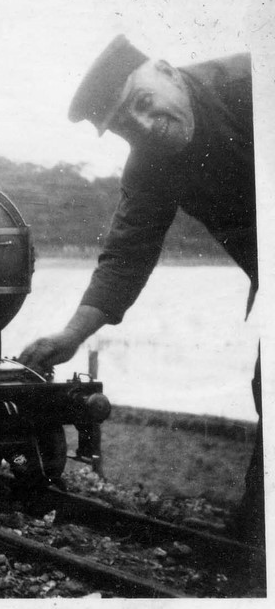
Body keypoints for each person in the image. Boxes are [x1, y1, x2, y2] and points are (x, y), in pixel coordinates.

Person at [17, 35, 261, 545]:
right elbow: (127, 253)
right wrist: (72, 334)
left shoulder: (253, 85)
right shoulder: (152, 162)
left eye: (145, 104)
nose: (148, 127)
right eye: (127, 125)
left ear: (168, 72)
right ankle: (257, 545)